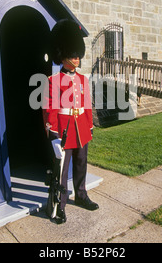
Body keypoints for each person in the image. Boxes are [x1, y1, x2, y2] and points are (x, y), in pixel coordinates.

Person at [43, 19, 99, 224]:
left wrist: (89, 126)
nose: (77, 58)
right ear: (63, 56)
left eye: (78, 54)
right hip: (64, 131)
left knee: (81, 164)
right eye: (73, 55)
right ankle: (61, 204)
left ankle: (82, 195)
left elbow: (87, 106)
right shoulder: (53, 82)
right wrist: (54, 135)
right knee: (62, 171)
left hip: (81, 129)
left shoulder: (83, 80)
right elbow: (50, 110)